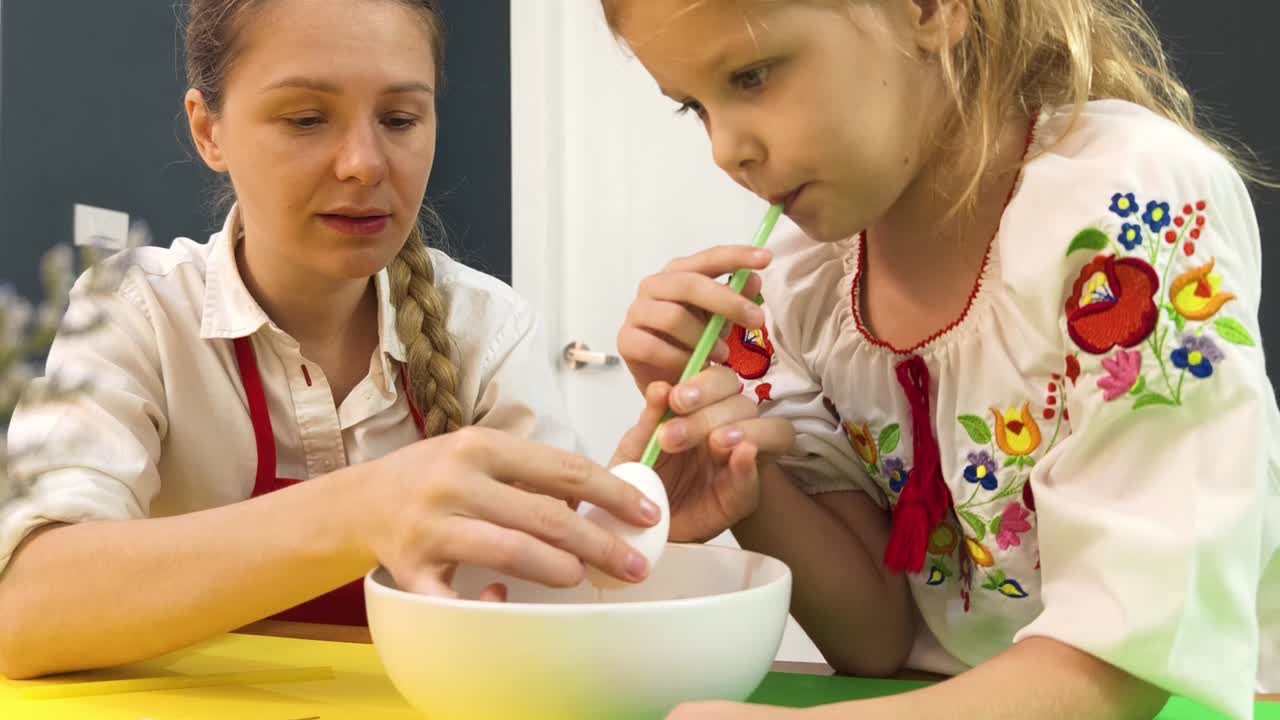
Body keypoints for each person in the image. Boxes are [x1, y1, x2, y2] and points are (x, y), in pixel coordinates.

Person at [0, 0, 790, 680]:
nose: (363, 164)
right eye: (307, 118)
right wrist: (365, 509)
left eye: (401, 118)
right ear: (209, 130)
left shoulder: (487, 328)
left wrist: (627, 518)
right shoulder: (136, 312)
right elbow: (25, 609)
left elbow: (535, 614)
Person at [605, 1, 1279, 717]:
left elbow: (1125, 663)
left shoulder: (1127, 209)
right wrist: (748, 481)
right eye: (694, 109)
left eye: (752, 76)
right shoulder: (804, 283)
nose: (724, 150)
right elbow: (876, 639)